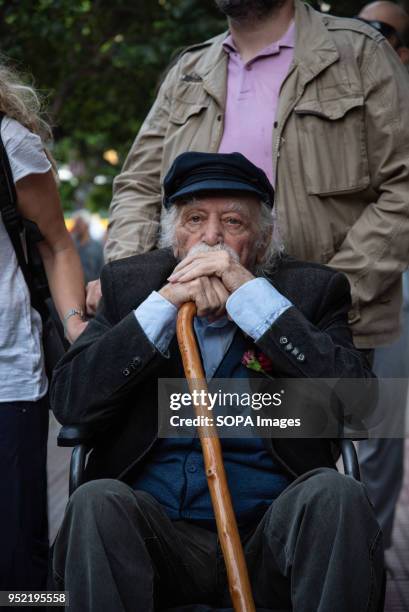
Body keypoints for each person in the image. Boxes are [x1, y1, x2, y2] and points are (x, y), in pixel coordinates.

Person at [51, 152, 383, 612]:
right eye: (194, 220)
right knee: (95, 500)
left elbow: (360, 404)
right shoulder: (130, 287)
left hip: (269, 538)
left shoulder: (311, 293)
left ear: (263, 241)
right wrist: (164, 305)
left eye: (232, 223)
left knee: (337, 493)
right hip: (155, 541)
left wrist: (252, 300)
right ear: (173, 238)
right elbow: (71, 402)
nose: (211, 238)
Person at [88, 0, 409, 360]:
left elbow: (403, 185)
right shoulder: (189, 71)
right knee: (184, 418)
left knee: (297, 420)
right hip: (193, 326)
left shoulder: (361, 52)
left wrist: (322, 295)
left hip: (324, 333)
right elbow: (139, 185)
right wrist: (131, 290)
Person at [0, 63, 86, 589]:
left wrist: (78, 333)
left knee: (17, 563)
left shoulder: (9, 145)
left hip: (7, 381)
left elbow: (57, 244)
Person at [356, 0, 409, 552]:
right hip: (345, 280)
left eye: (383, 32)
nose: (368, 39)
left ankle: (369, 561)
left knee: (380, 437)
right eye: (360, 28)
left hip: (395, 287)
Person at [71, 209, 104, 283]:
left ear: (87, 224)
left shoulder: (97, 246)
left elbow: (101, 269)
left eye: (79, 223)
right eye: (76, 223)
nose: (77, 225)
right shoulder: (72, 245)